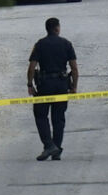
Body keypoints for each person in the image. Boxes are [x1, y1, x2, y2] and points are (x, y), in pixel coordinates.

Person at [27, 17, 79, 161]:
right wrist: (74, 87)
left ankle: (49, 145)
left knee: (40, 115)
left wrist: (30, 85)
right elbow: (74, 68)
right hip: (62, 85)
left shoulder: (39, 44)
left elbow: (32, 68)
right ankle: (56, 148)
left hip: (44, 85)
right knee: (58, 118)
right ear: (57, 28)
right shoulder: (66, 44)